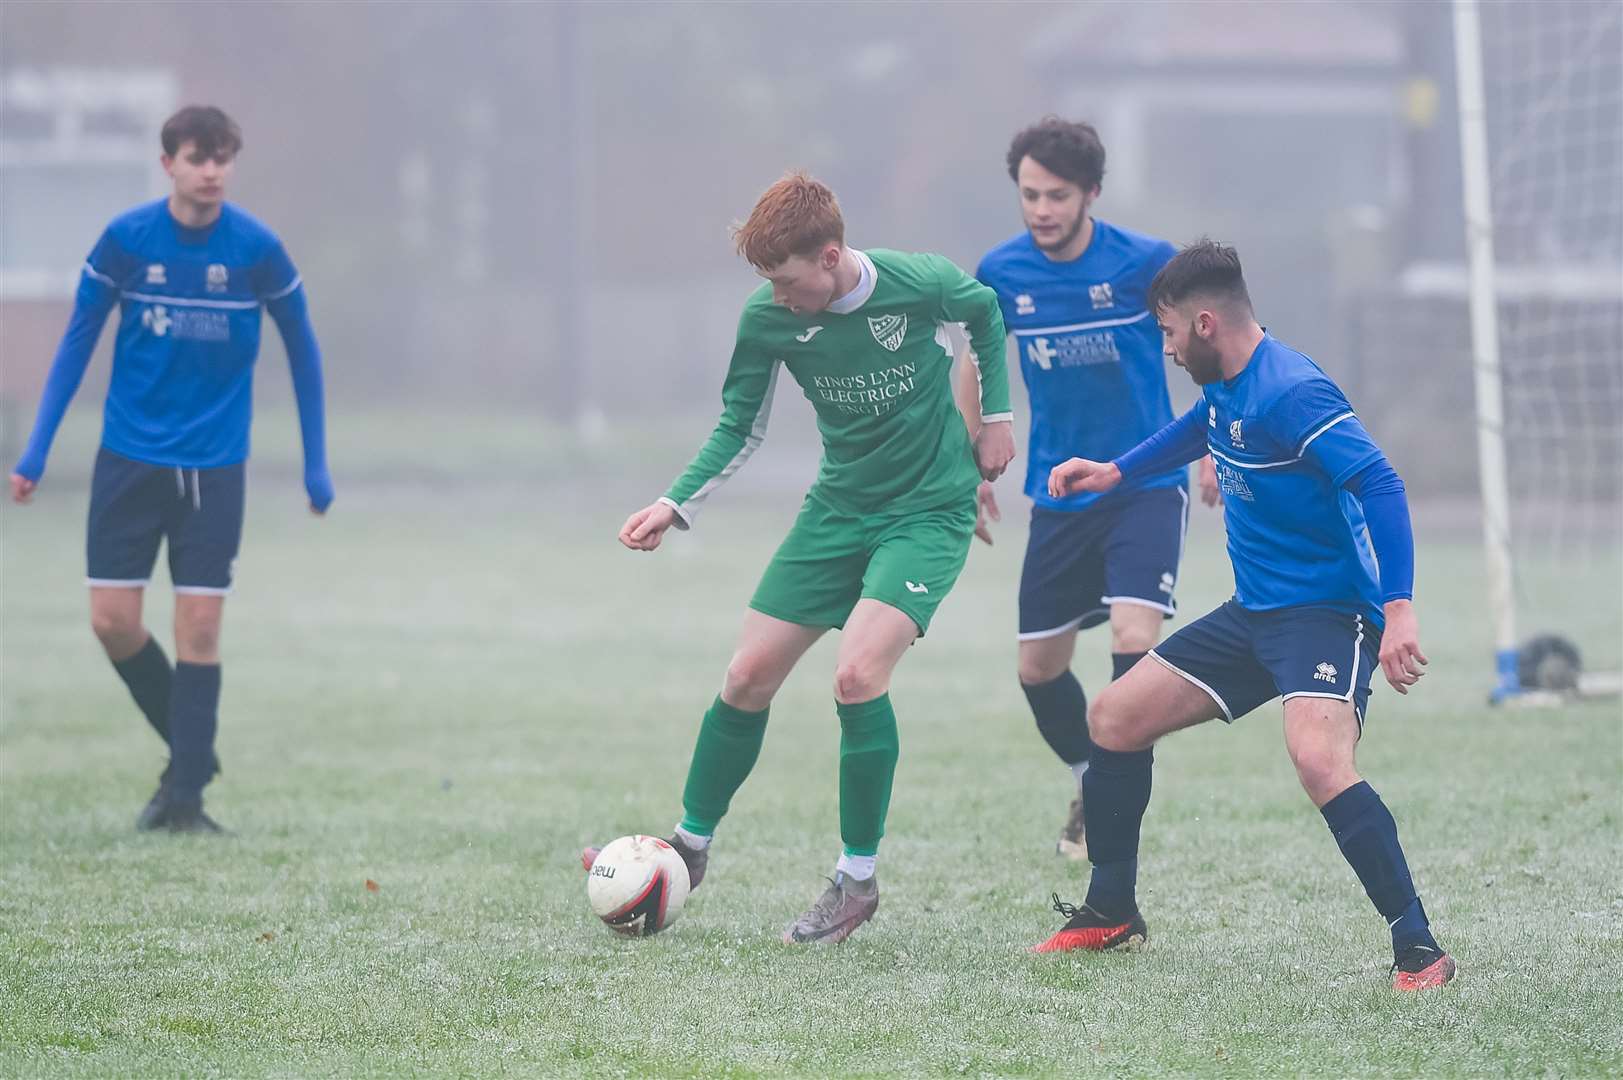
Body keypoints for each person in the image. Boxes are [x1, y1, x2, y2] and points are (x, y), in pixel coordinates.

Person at [583, 171, 1013, 944]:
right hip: (836, 511)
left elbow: (984, 313)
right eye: (767, 284)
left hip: (925, 512)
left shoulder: (915, 282)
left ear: (830, 257)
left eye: (788, 281)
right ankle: (690, 847)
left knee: (855, 675)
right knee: (746, 677)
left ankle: (854, 880)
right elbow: (737, 427)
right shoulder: (769, 318)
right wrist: (672, 503)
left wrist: (995, 421)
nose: (778, 297)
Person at [1032, 240, 1454, 991]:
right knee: (1113, 718)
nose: (1162, 348)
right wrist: (1115, 470)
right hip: (1252, 615)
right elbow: (1200, 426)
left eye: (1164, 333)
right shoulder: (1226, 384)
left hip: (1328, 618)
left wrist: (1398, 611)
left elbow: (1380, 483)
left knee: (1319, 761)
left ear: (1201, 324)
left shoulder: (1292, 391)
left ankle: (1417, 947)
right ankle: (1109, 909)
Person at [9, 105, 333, 834]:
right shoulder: (126, 241)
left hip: (213, 470)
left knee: (201, 632)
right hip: (128, 460)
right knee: (112, 622)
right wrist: (35, 450)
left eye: (223, 157)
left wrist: (317, 466)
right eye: (197, 156)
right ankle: (194, 753)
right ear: (169, 164)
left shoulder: (257, 250)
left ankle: (185, 794)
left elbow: (304, 351)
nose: (212, 170)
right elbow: (76, 344)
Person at [957, 117, 1216, 859]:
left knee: (1135, 643)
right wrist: (969, 463)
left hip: (1144, 482)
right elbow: (974, 364)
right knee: (1037, 670)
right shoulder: (1001, 272)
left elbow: (1211, 345)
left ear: (1090, 193)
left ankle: (1109, 815)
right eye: (1029, 194)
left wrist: (1208, 445)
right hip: (1057, 492)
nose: (1041, 209)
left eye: (1057, 195)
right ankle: (1088, 771)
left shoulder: (1144, 262)